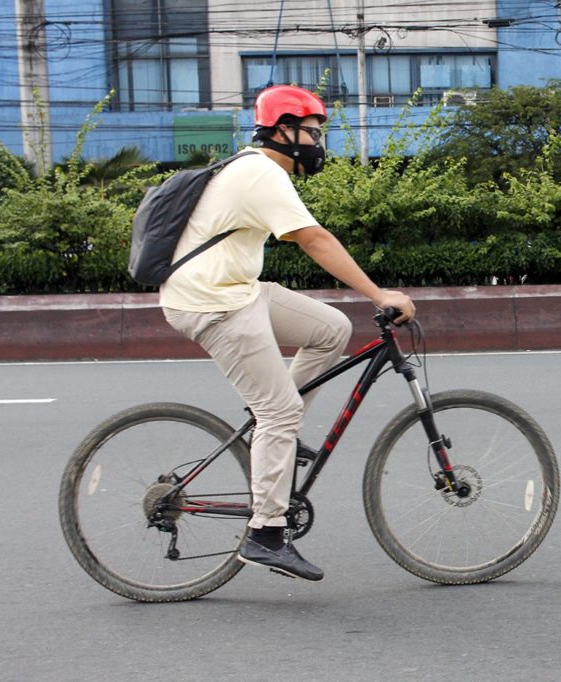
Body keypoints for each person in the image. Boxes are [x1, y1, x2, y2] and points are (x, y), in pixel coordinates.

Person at [160, 84, 415, 581]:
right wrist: (380, 295)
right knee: (280, 407)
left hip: (235, 289)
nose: (319, 144)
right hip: (212, 303)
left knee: (331, 329)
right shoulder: (260, 172)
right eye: (313, 133)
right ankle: (266, 533)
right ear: (283, 131)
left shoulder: (255, 169)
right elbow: (314, 239)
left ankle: (275, 432)